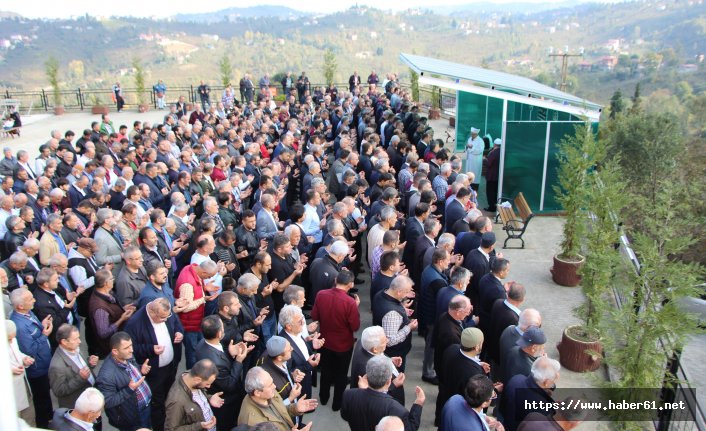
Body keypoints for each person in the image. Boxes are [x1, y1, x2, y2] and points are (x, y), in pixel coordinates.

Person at [123, 298, 183, 431]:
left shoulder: (167, 313)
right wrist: (150, 349)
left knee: (169, 394)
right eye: (162, 318)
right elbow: (130, 350)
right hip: (154, 372)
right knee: (157, 403)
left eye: (167, 316)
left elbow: (177, 323)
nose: (166, 320)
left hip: (170, 367)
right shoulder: (134, 323)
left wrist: (180, 332)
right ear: (152, 312)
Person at [311, 269, 360, 411]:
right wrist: (355, 308)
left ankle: (324, 397)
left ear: (335, 280)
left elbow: (314, 315)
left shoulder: (321, 295)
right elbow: (355, 326)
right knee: (341, 375)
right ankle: (337, 404)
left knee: (326, 371)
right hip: (343, 345)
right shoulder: (350, 302)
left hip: (325, 342)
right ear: (350, 284)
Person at [194, 315, 251, 431]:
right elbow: (229, 384)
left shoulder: (203, 343)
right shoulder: (215, 362)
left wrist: (229, 352)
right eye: (222, 328)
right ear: (219, 334)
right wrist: (239, 360)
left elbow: (220, 353)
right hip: (227, 404)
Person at [341, 355, 424, 431]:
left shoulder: (348, 395)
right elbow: (410, 428)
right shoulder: (397, 410)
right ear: (388, 381)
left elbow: (345, 416)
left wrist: (363, 391)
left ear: (367, 375)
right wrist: (419, 403)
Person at [10, 287, 53, 428]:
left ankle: (49, 414)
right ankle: (43, 423)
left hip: (43, 363)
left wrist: (42, 325)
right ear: (20, 306)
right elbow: (30, 349)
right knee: (41, 397)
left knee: (45, 394)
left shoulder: (27, 313)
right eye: (30, 299)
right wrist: (45, 334)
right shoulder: (19, 326)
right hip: (37, 368)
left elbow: (35, 333)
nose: (34, 300)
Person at [96, 331, 153, 431]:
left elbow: (130, 371)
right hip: (132, 416)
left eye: (131, 345)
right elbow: (108, 401)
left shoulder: (126, 355)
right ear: (115, 352)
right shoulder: (106, 376)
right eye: (126, 348)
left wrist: (140, 369)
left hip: (145, 407)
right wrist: (129, 389)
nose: (131, 350)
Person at [436, 328, 489, 426]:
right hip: (462, 414)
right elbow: (477, 400)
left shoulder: (452, 349)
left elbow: (459, 364)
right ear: (477, 347)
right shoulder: (474, 375)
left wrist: (478, 364)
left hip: (447, 402)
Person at [237, 366, 318, 431]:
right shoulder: (253, 424)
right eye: (270, 385)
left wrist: (295, 408)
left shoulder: (267, 393)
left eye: (272, 382)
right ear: (257, 392)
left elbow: (281, 412)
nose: (274, 386)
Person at [500, 356, 561, 431]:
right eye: (553, 381)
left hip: (504, 423)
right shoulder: (542, 408)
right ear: (546, 382)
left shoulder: (516, 378)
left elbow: (502, 407)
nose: (553, 384)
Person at [164, 359, 226, 431]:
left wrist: (209, 398)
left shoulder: (192, 375)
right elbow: (171, 429)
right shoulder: (176, 401)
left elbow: (198, 397)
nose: (209, 387)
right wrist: (200, 426)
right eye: (207, 384)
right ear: (197, 380)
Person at [350, 326, 405, 405]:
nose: (387, 340)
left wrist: (389, 360)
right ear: (375, 349)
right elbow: (373, 396)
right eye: (384, 341)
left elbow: (378, 354)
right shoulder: (368, 369)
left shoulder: (363, 343)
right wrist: (393, 385)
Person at [372, 275, 417, 371]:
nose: (408, 294)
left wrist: (402, 308)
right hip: (394, 354)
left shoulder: (381, 293)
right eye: (407, 292)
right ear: (399, 292)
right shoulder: (392, 313)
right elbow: (390, 341)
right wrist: (409, 327)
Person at [49, 324, 99, 410]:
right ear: (64, 342)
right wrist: (80, 378)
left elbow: (79, 365)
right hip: (78, 406)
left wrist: (89, 363)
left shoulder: (74, 348)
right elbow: (59, 391)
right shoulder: (56, 365)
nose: (80, 341)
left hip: (90, 396)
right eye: (76, 339)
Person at [432, 295, 473, 375]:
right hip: (449, 372)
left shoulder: (444, 316)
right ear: (458, 312)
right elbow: (457, 358)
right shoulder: (451, 334)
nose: (468, 314)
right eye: (467, 311)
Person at [7, 318, 36, 426]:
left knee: (29, 417)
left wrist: (25, 359)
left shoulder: (13, 340)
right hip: (10, 393)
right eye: (8, 339)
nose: (11, 341)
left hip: (23, 385)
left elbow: (17, 353)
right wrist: (8, 370)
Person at [484, 139, 502, 212]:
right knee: (495, 191)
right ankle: (495, 205)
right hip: (498, 175)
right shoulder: (501, 152)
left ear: (494, 144)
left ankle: (491, 207)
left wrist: (484, 160)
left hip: (491, 176)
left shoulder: (494, 153)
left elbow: (489, 164)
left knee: (490, 192)